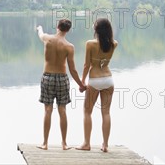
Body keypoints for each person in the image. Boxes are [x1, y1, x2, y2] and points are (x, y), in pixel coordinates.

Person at [36, 19, 86, 150]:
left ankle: (45, 143)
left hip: (47, 77)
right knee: (62, 111)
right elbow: (73, 70)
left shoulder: (48, 39)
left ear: (57, 26)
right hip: (62, 79)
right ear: (68, 30)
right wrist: (81, 84)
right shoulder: (69, 46)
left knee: (47, 110)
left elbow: (41, 34)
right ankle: (64, 143)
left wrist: (39, 28)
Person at [77, 18, 118, 153]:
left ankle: (86, 144)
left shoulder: (90, 44)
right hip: (108, 79)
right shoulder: (114, 44)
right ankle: (105, 145)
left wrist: (82, 82)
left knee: (87, 112)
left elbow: (86, 65)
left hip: (94, 80)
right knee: (106, 112)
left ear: (96, 30)